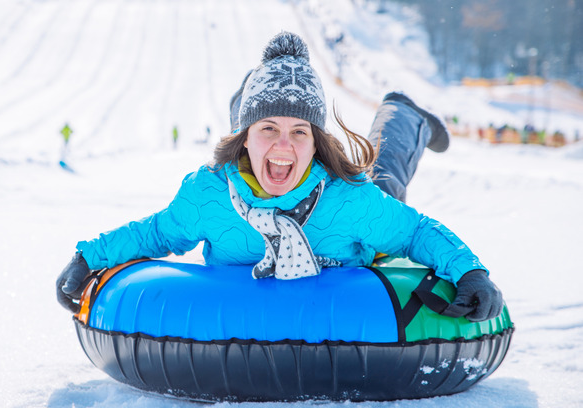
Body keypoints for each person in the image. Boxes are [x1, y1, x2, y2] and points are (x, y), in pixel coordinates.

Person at [57, 32, 502, 322]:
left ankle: (402, 115)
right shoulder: (208, 196)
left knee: (384, 182)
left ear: (316, 143)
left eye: (299, 132)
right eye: (267, 128)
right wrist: (88, 257)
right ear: (244, 137)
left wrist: (470, 272)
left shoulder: (349, 201)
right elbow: (155, 233)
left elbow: (416, 232)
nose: (284, 146)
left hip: (357, 232)